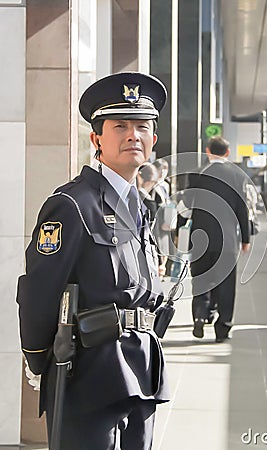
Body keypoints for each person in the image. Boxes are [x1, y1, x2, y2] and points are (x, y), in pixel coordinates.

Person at [16, 72, 170, 449]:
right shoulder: (71, 204)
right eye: (120, 126)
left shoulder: (140, 207)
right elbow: (40, 291)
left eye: (142, 126)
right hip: (88, 373)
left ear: (153, 139)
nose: (133, 134)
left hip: (142, 366)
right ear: (96, 138)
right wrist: (38, 359)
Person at [187, 136, 250, 343]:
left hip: (200, 239)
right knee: (226, 285)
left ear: (207, 151)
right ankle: (222, 329)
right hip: (228, 241)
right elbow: (242, 208)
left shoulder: (197, 172)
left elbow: (187, 203)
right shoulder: (236, 174)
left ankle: (200, 314)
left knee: (201, 279)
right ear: (227, 153)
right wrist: (245, 238)